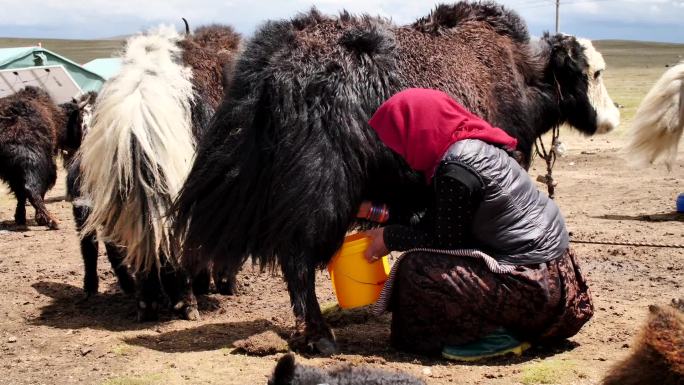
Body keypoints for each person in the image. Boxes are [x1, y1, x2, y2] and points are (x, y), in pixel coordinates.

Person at [361, 88, 594, 361]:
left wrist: (389, 238)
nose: (396, 150)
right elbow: (439, 221)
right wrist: (376, 213)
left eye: (398, 139)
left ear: (418, 130)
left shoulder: (456, 171)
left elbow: (443, 240)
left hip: (535, 289)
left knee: (417, 268)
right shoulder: (471, 147)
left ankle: (493, 334)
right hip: (559, 280)